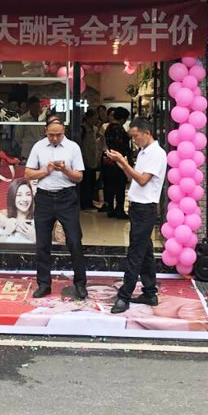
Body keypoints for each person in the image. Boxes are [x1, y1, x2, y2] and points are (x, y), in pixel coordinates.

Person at [103, 116, 167, 313]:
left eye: (135, 136)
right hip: (137, 206)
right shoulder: (143, 152)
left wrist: (123, 161)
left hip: (146, 208)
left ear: (146, 133)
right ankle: (150, 292)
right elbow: (133, 178)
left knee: (135, 253)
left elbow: (142, 180)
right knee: (145, 252)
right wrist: (121, 163)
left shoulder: (156, 153)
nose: (133, 140)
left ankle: (124, 296)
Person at [25, 116, 87, 299]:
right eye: (51, 135)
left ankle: (80, 284)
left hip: (66, 197)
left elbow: (79, 177)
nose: (54, 138)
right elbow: (28, 173)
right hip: (44, 198)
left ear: (64, 131)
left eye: (58, 135)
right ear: (45, 132)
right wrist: (47, 170)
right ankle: (44, 284)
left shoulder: (73, 147)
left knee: (74, 241)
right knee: (42, 244)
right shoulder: (38, 147)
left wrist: (65, 170)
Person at [100, 107, 131, 219]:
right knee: (120, 186)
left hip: (108, 160)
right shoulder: (119, 129)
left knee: (109, 186)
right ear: (122, 118)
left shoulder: (108, 127)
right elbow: (122, 146)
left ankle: (110, 208)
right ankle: (119, 209)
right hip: (118, 161)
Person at [0, 177, 36, 243]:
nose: (24, 199)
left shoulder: (39, 220)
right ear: (12, 197)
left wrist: (36, 238)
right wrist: (7, 231)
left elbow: (51, 245)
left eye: (28, 194)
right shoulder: (6, 219)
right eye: (19, 195)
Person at [79, 109, 100, 209]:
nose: (95, 120)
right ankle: (84, 203)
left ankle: (89, 202)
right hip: (84, 161)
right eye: (94, 118)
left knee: (91, 183)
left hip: (93, 161)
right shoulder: (82, 129)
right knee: (85, 184)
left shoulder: (95, 129)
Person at [15, 95, 43, 162]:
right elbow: (18, 136)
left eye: (38, 106)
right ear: (30, 107)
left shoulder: (42, 118)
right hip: (27, 152)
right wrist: (25, 145)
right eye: (35, 106)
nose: (37, 108)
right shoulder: (23, 119)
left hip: (41, 152)